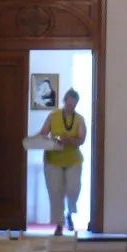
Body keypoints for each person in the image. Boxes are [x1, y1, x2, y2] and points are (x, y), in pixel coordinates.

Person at [36, 89, 86, 234]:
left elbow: (81, 140)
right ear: (65, 101)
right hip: (53, 159)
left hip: (73, 160)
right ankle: (59, 224)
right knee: (55, 192)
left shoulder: (79, 119)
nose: (71, 107)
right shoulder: (53, 116)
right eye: (69, 104)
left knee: (73, 188)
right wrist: (40, 140)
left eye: (74, 105)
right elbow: (43, 133)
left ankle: (69, 213)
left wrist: (69, 139)